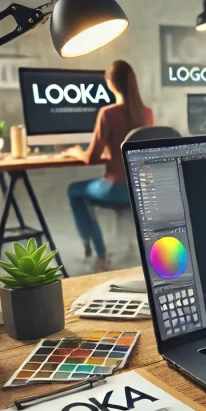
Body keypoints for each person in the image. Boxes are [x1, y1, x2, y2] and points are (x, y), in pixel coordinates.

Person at [64, 60, 153, 271]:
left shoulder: (108, 113)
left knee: (74, 191)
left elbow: (90, 157)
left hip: (116, 188)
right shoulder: (147, 113)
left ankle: (98, 253)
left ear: (111, 84)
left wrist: (75, 151)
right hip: (142, 190)